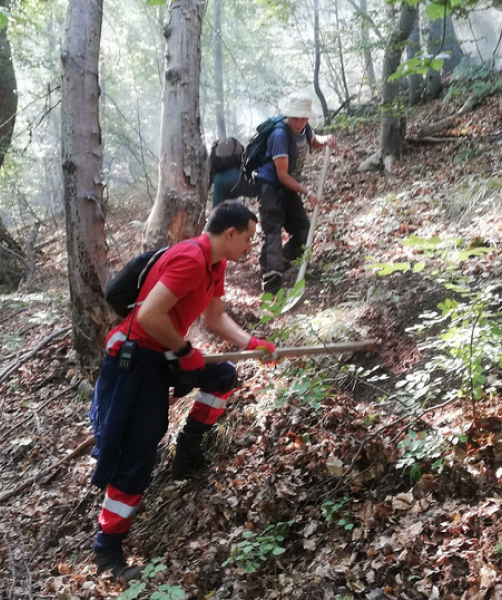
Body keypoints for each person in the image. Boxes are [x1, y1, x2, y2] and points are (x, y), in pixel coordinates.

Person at [88, 201, 276, 583]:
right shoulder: (191, 259)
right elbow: (147, 317)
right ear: (229, 234)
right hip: (136, 360)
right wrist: (186, 351)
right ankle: (107, 550)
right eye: (248, 239)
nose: (249, 247)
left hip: (165, 353)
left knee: (222, 376)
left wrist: (252, 341)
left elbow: (214, 317)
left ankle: (187, 452)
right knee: (136, 457)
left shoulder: (216, 264)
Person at [255, 93, 337, 294]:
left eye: (304, 118)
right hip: (271, 188)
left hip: (288, 188)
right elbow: (282, 175)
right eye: (296, 118)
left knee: (303, 229)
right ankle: (272, 285)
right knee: (273, 232)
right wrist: (308, 192)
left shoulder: (304, 127)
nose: (300, 122)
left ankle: (285, 262)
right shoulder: (279, 135)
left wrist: (325, 140)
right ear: (289, 116)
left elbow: (313, 141)